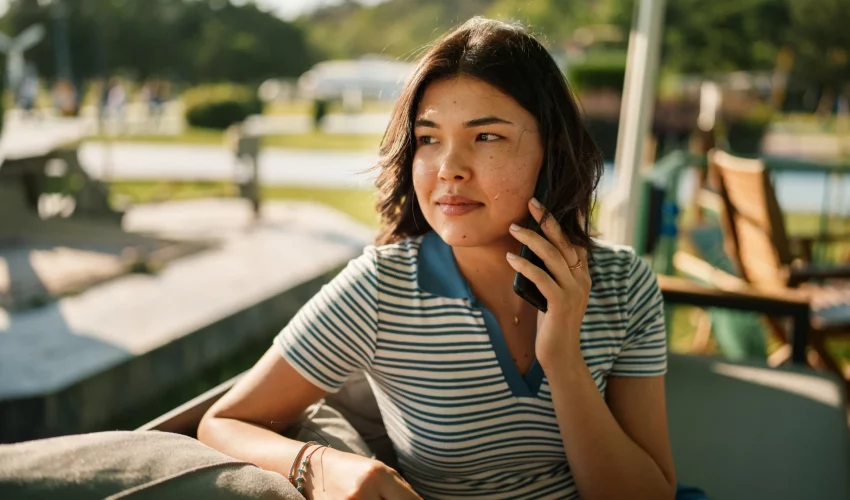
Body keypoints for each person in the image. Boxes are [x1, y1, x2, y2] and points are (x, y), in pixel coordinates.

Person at [198, 17, 676, 500]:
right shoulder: (380, 289)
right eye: (429, 139)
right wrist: (320, 466)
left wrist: (564, 363)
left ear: (551, 151)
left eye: (486, 137)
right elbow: (224, 422)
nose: (449, 169)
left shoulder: (624, 284)